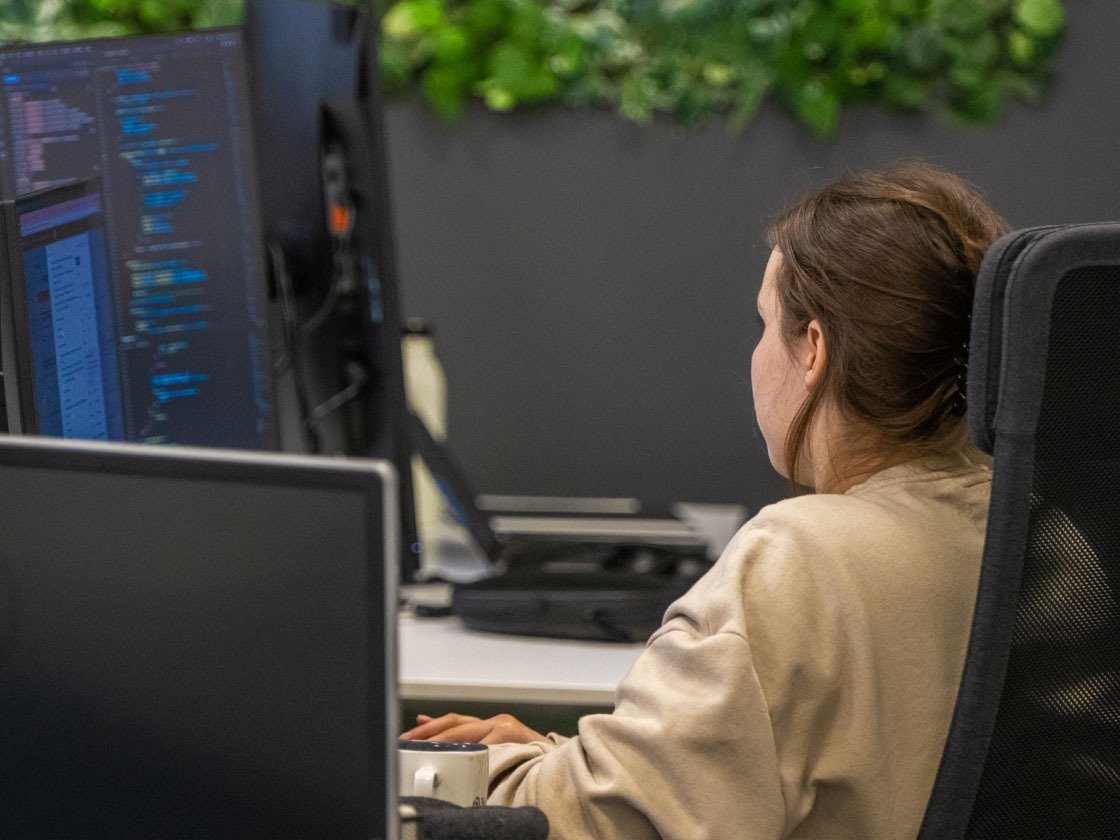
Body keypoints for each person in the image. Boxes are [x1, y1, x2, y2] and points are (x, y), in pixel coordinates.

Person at [401, 161, 1011, 839]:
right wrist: (563, 757)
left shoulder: (800, 559)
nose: (755, 356)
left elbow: (607, 825)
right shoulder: (1047, 539)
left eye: (764, 322)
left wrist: (480, 767)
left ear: (814, 350)